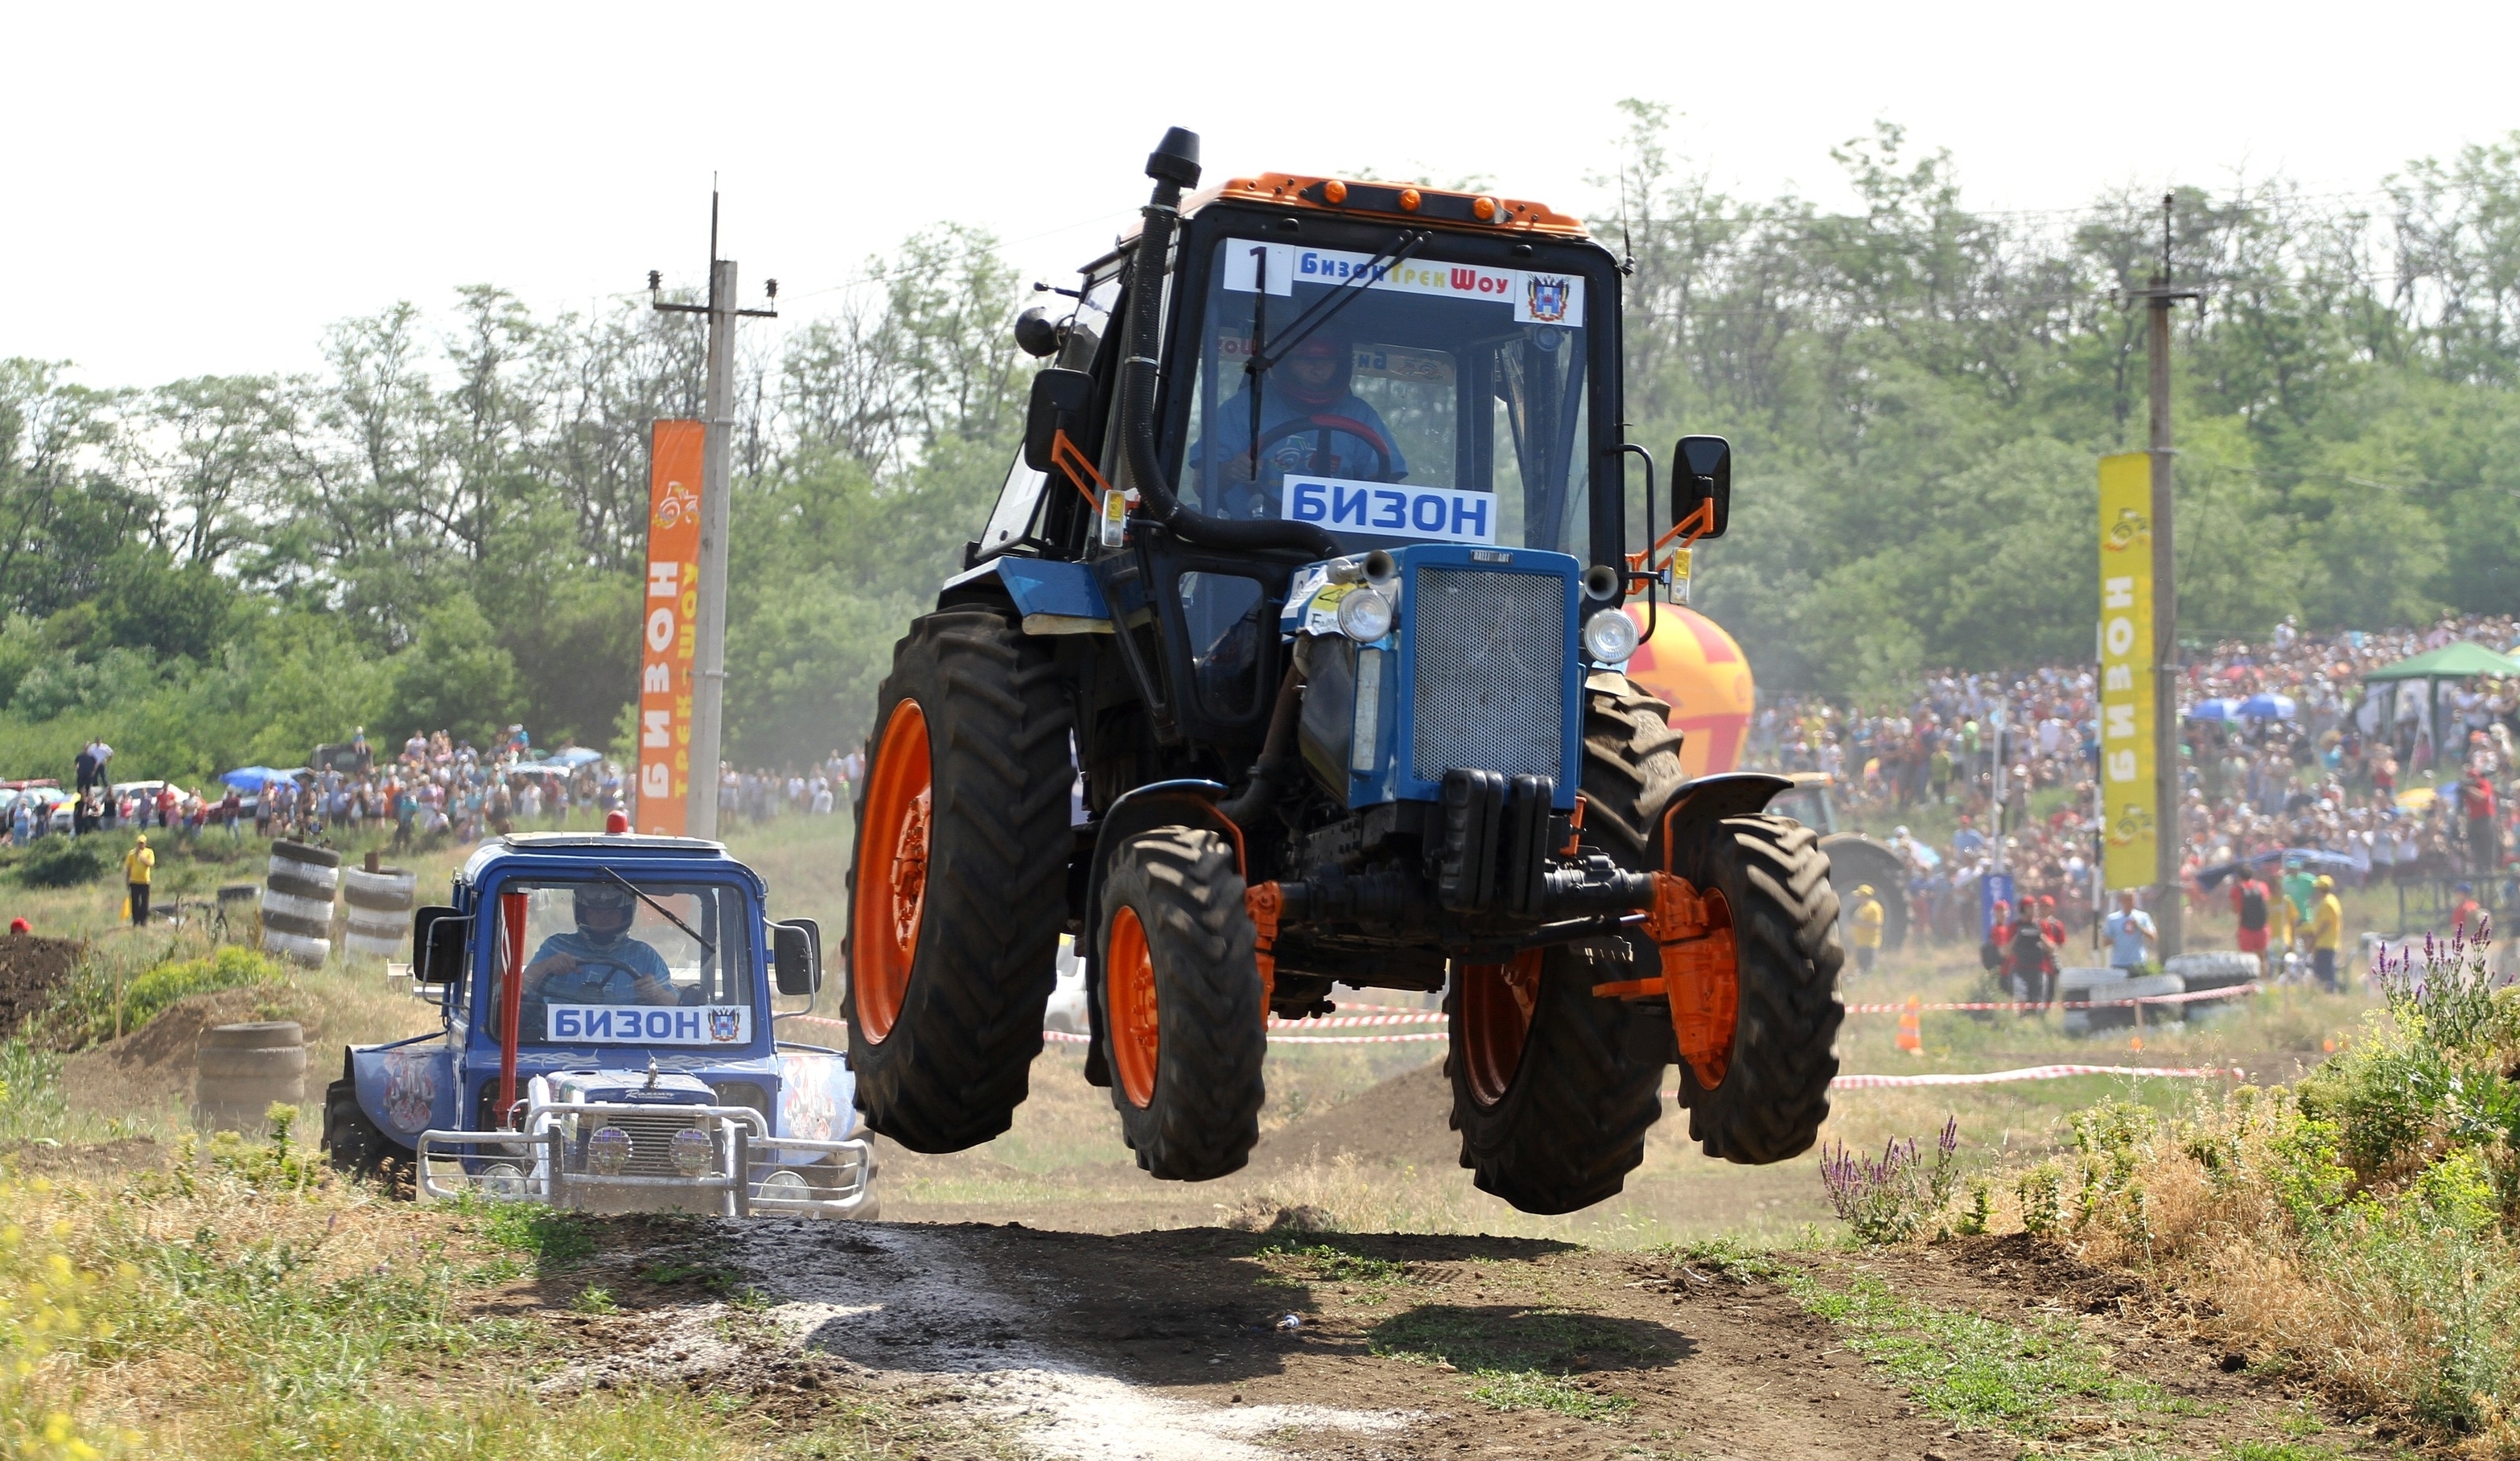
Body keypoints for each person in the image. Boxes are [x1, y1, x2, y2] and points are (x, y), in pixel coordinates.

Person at [1198, 332, 1407, 521]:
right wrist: (1232, 471)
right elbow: (1200, 485)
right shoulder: (1244, 408)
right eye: (1307, 359)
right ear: (1285, 363)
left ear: (1342, 364)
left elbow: (1388, 492)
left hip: (1340, 551)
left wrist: (1375, 489)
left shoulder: (1360, 414)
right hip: (1249, 541)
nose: (1318, 369)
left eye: (1327, 360)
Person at [517, 883, 677, 1035]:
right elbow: (520, 987)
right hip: (554, 1043)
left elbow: (678, 1009)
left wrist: (655, 992)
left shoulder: (645, 956)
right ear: (581, 912)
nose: (603, 919)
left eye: (612, 913)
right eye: (595, 912)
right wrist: (548, 965)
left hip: (629, 1047)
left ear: (626, 914)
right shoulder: (558, 946)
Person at [2102, 890, 2158, 976]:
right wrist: (2114, 938)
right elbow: (2105, 943)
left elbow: (2153, 937)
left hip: (2138, 963)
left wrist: (2139, 927)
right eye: (2127, 900)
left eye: (2132, 899)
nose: (2130, 902)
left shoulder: (2143, 917)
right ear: (2121, 901)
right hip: (2119, 963)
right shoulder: (2112, 919)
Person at [2231, 869, 2273, 978]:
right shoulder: (2262, 886)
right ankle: (2263, 981)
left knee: (2247, 959)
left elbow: (2235, 909)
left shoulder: (2237, 889)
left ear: (2239, 877)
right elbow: (2267, 902)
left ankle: (2249, 983)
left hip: (2246, 929)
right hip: (2263, 928)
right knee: (2262, 958)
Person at [2308, 875, 2345, 991]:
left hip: (2325, 942)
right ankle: (2328, 991)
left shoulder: (2327, 903)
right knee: (2326, 969)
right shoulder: (2332, 900)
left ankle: (2329, 992)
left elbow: (2325, 924)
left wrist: (2314, 939)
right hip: (2327, 942)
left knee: (2324, 971)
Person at [1847, 884, 1884, 974]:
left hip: (1869, 943)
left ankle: (1870, 983)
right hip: (1860, 942)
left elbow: (1877, 924)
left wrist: (1860, 924)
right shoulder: (1862, 907)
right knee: (1862, 966)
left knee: (1869, 967)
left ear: (1865, 896)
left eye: (1859, 896)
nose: (1857, 898)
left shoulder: (1873, 908)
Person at [122, 834, 154, 926]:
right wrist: (127, 880)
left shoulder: (149, 852)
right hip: (134, 881)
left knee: (145, 902)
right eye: (139, 843)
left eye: (142, 843)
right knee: (135, 902)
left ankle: (144, 921)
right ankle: (136, 921)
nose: (140, 845)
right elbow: (129, 867)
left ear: (145, 843)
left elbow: (150, 863)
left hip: (145, 881)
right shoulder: (132, 853)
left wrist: (142, 857)